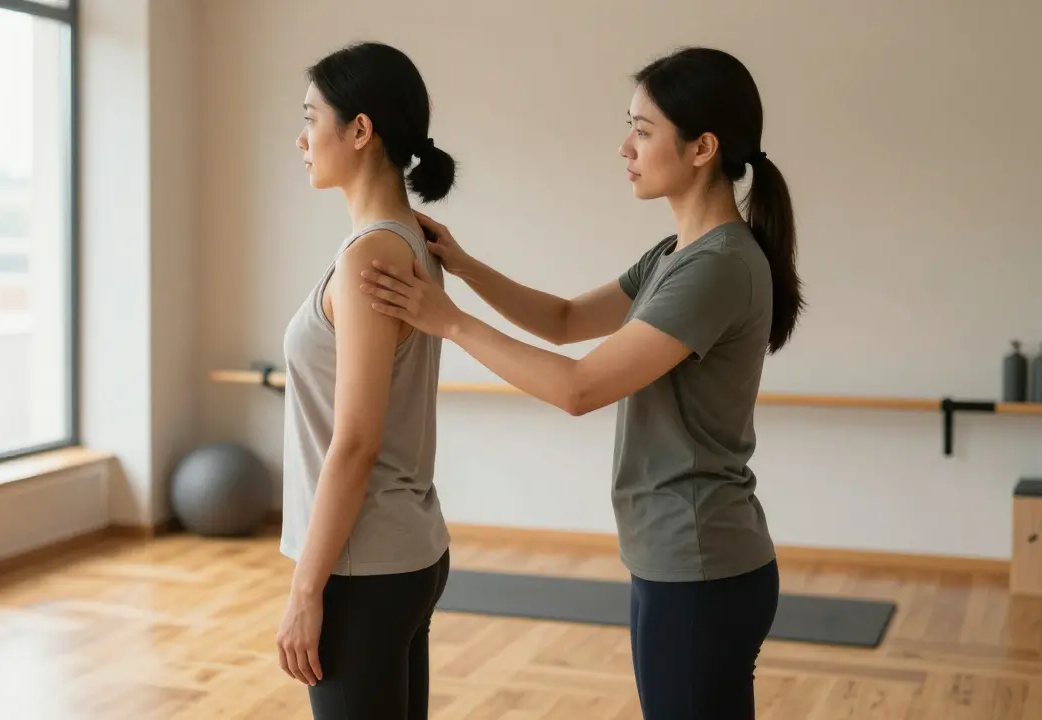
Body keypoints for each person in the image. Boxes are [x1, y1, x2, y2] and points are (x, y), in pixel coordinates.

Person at [359, 46, 804, 718]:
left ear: (702, 148)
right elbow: (565, 321)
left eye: (643, 131)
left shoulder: (718, 267)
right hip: (679, 557)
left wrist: (448, 321)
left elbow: (579, 389)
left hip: (700, 561)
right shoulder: (676, 255)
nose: (626, 148)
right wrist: (466, 267)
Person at [275, 41, 458, 719]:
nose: (301, 139)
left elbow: (354, 442)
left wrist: (306, 590)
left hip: (363, 567)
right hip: (404, 552)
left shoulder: (370, 256)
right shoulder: (409, 240)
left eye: (310, 118)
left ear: (359, 130)